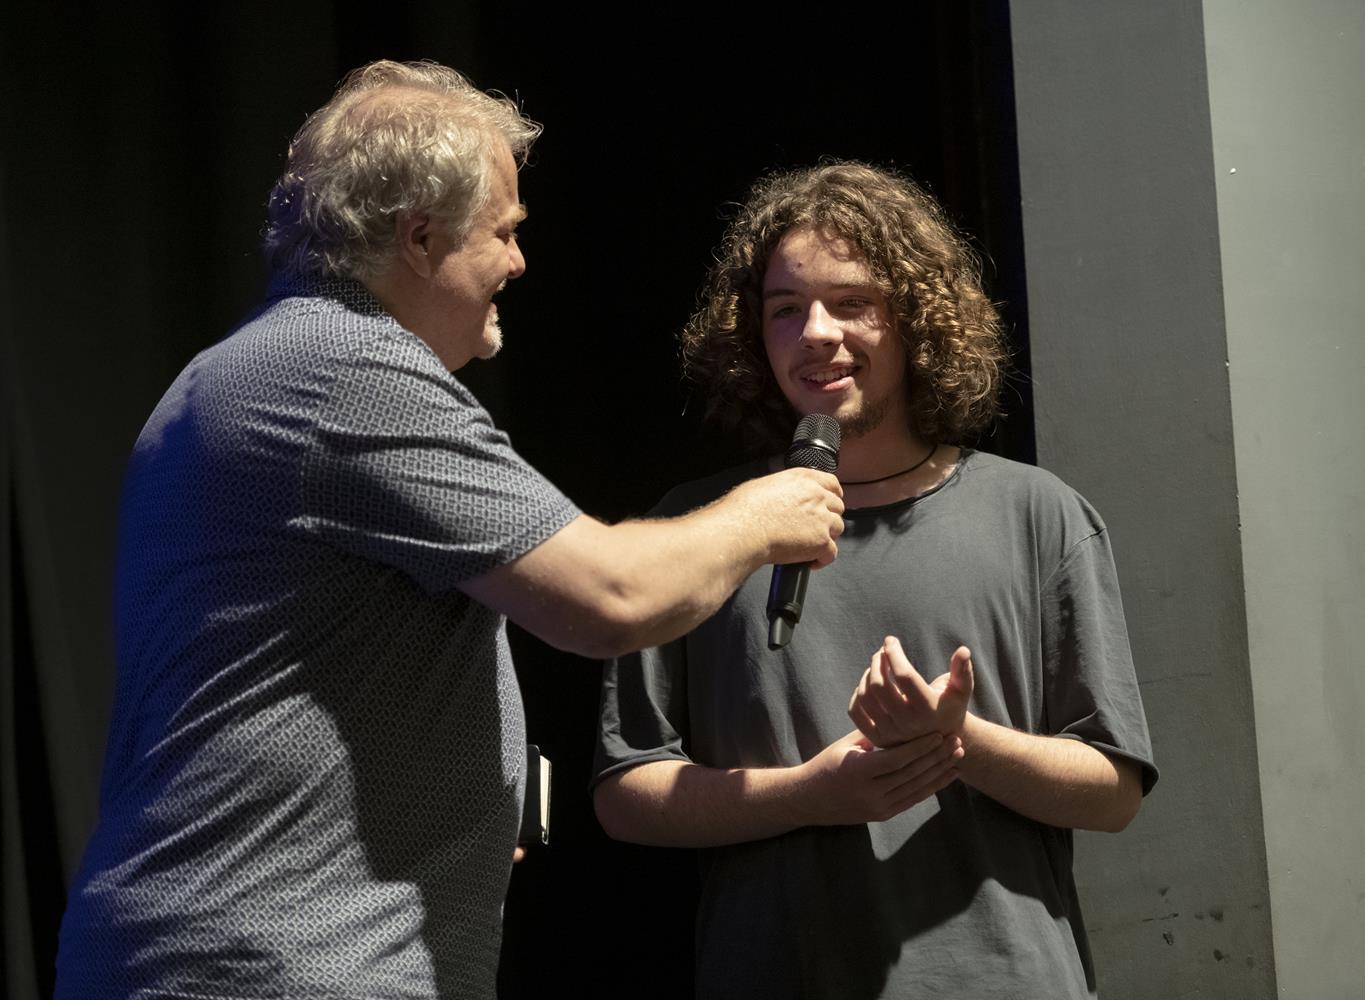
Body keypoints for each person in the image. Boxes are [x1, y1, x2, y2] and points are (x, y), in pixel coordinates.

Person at [53, 61, 843, 1000]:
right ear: (420, 237)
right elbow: (613, 597)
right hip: (279, 966)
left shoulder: (238, 371)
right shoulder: (346, 370)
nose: (520, 262)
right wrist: (769, 511)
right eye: (503, 231)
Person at [593, 161, 1157, 999]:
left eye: (852, 302)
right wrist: (808, 795)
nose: (816, 332)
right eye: (786, 309)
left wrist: (957, 742)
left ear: (915, 320)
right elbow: (626, 793)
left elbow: (1113, 792)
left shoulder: (1037, 514)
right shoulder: (697, 528)